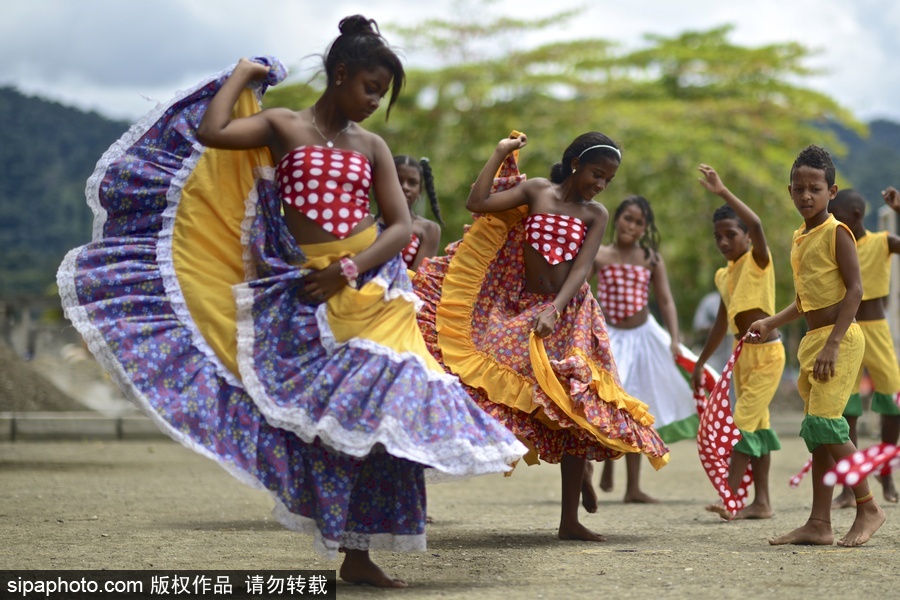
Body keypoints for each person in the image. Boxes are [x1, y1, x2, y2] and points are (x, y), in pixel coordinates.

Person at [58, 15, 526, 589]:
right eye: (370, 88)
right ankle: (349, 550)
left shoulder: (372, 145)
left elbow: (400, 227)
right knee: (332, 424)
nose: (374, 102)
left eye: (382, 95)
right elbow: (213, 132)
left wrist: (347, 270)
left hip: (372, 288)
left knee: (389, 397)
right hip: (303, 291)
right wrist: (242, 73)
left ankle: (361, 554)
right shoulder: (283, 125)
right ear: (340, 74)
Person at [412, 131, 670, 542]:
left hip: (569, 313)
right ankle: (578, 470)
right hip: (521, 308)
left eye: (608, 179)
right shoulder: (536, 191)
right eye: (596, 174)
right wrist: (499, 152)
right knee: (487, 378)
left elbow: (582, 269)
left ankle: (569, 520)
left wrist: (554, 309)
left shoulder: (596, 214)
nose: (601, 184)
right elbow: (476, 204)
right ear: (575, 164)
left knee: (573, 404)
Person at [748, 145, 885, 547]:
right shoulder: (799, 237)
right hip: (813, 341)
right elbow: (807, 299)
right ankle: (819, 524)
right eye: (799, 188)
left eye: (815, 188)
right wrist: (771, 321)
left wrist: (834, 343)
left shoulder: (836, 232)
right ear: (789, 191)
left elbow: (856, 290)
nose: (806, 195)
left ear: (832, 192)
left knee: (825, 424)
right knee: (819, 435)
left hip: (838, 341)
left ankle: (869, 507)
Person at [691, 164, 785, 520]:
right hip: (740, 356)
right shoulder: (723, 274)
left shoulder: (759, 260)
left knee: (741, 423)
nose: (724, 242)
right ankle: (761, 503)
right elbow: (720, 322)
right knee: (758, 426)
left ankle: (729, 496)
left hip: (768, 356)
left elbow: (759, 224)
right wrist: (701, 362)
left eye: (731, 234)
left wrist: (723, 191)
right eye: (718, 237)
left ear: (746, 237)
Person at [591, 195, 698, 503]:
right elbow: (581, 292)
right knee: (610, 400)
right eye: (628, 218)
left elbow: (665, 300)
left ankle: (633, 487)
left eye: (640, 223)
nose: (632, 226)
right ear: (617, 219)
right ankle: (608, 464)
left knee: (637, 405)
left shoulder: (651, 258)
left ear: (645, 229)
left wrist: (675, 338)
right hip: (611, 337)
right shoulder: (599, 255)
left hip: (644, 336)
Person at [829, 187, 900, 507]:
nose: (834, 221)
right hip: (848, 330)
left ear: (857, 216)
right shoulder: (836, 243)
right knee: (848, 409)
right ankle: (850, 484)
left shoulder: (882, 241)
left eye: (839, 216)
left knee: (893, 400)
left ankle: (885, 471)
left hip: (877, 331)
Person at [392, 155, 443, 271]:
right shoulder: (369, 222)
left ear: (420, 191)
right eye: (398, 180)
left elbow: (417, 279)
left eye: (412, 183)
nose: (405, 187)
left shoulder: (429, 229)